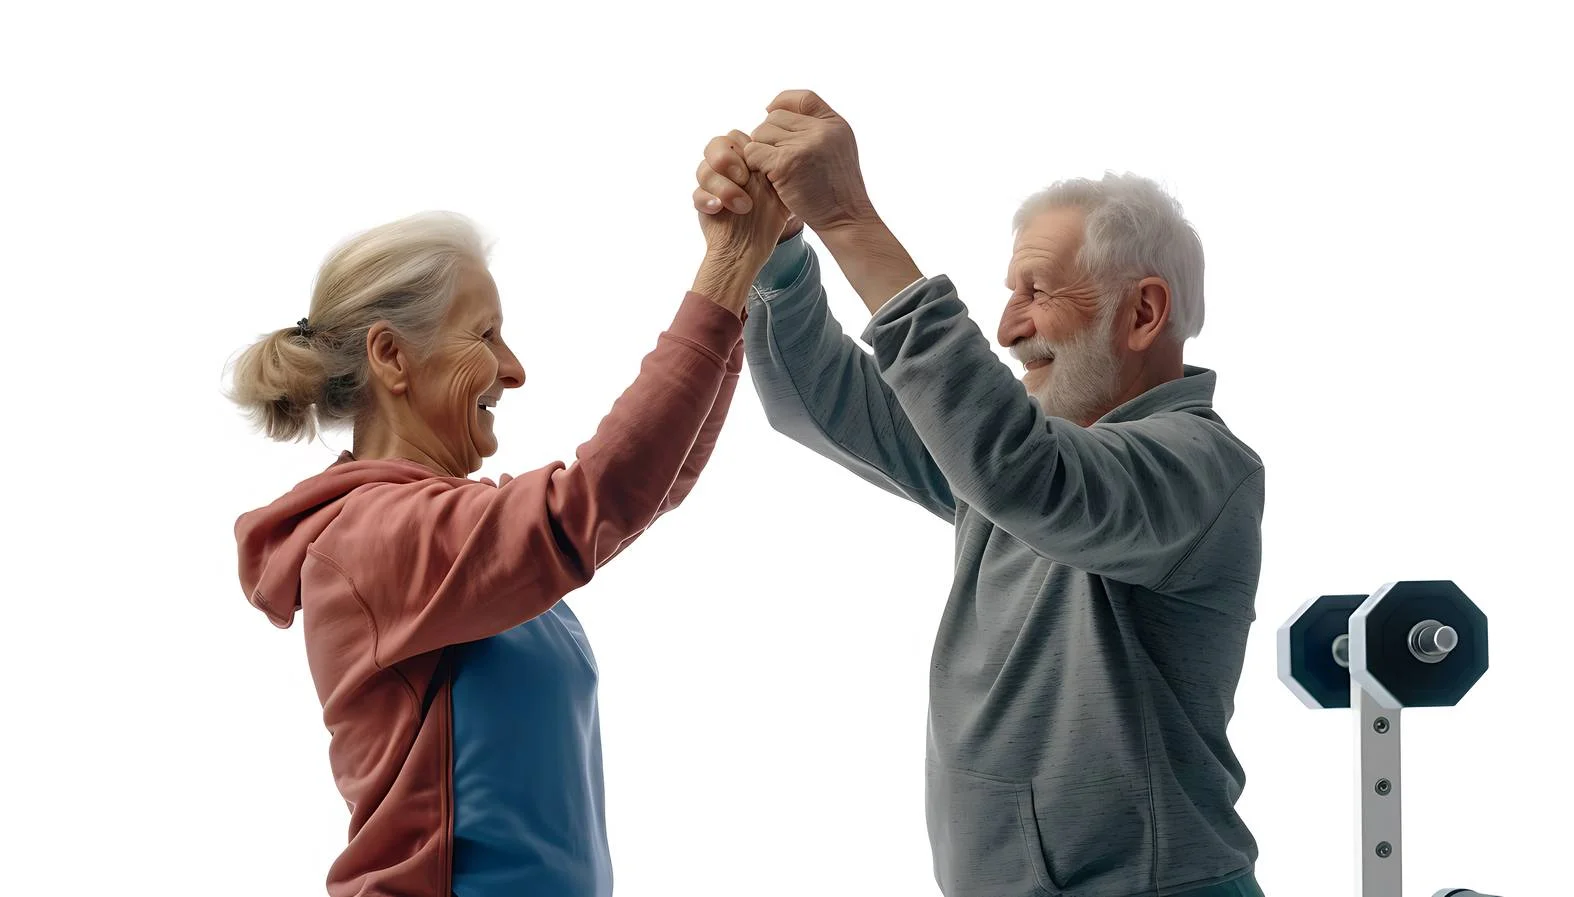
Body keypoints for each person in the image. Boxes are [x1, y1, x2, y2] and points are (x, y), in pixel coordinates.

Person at [694, 90, 1267, 897]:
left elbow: (1024, 474)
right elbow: (819, 400)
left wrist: (853, 221)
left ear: (1143, 313)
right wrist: (782, 252)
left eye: (1038, 290)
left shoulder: (1198, 467)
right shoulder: (1017, 461)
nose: (1006, 327)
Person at [228, 181, 788, 897]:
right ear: (392, 356)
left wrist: (740, 278)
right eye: (484, 335)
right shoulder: (368, 538)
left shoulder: (448, 535)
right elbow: (593, 501)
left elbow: (654, 485)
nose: (515, 368)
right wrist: (723, 272)